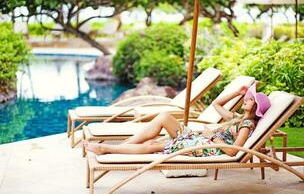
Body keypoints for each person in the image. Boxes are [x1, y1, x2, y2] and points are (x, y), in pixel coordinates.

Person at [85, 82, 271, 157]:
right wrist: (235, 93)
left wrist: (212, 137)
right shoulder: (237, 118)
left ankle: (107, 149)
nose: (246, 99)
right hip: (201, 139)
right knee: (164, 117)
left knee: (154, 145)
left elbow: (232, 151)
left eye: (249, 98)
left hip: (206, 146)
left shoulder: (246, 124)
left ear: (256, 107)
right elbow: (216, 105)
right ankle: (120, 146)